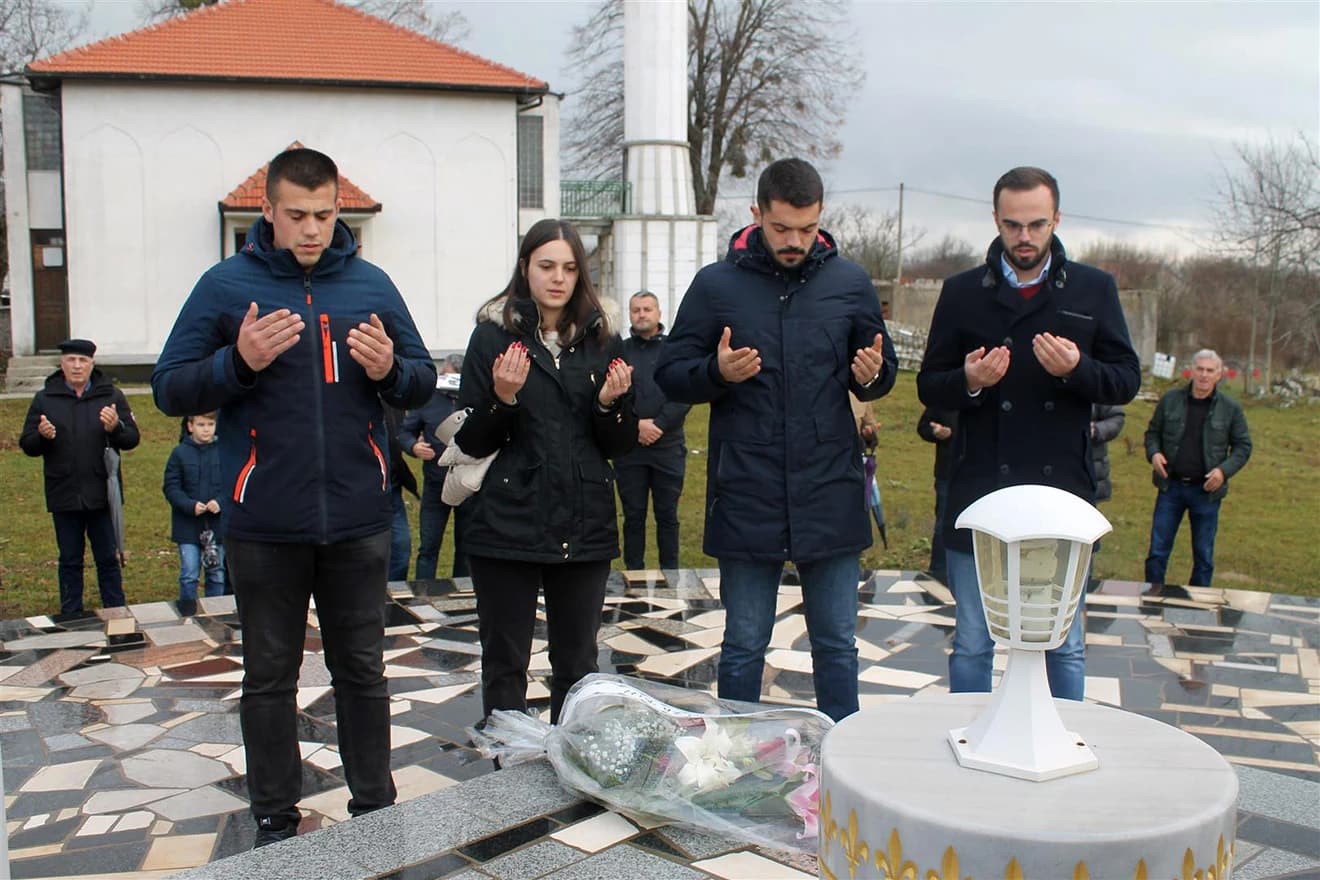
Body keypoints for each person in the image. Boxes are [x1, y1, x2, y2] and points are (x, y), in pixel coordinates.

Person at [151, 147, 436, 847]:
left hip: (359, 517)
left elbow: (423, 379)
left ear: (339, 210)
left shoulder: (370, 284)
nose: (312, 229)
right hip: (265, 522)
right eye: (298, 215)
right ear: (268, 212)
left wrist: (392, 370)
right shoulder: (225, 287)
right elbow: (169, 387)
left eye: (325, 214)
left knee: (363, 672)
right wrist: (236, 362)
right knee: (268, 677)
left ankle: (375, 806)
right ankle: (275, 818)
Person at [655, 158, 896, 722]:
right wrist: (717, 373)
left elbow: (882, 369)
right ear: (756, 213)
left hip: (829, 491)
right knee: (743, 645)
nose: (794, 241)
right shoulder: (717, 285)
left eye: (807, 229)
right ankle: (735, 763)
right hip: (748, 491)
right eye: (782, 228)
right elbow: (670, 373)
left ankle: (844, 757)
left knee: (837, 645)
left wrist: (871, 377)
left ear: (821, 218)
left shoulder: (851, 283)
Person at [917, 166, 1141, 702]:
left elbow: (1126, 379)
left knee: (1062, 642)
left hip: (1059, 491)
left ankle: (1068, 736)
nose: (1024, 237)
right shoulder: (963, 291)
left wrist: (1077, 370)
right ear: (995, 220)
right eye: (1013, 224)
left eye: (1037, 224)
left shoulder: (1093, 288)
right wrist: (969, 382)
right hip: (978, 488)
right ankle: (968, 737)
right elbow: (930, 383)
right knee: (972, 641)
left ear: (1057, 220)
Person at [452, 218, 636, 723]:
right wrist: (502, 399)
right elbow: (468, 441)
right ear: (525, 268)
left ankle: (569, 768)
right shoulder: (491, 338)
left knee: (576, 664)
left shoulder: (603, 340)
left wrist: (609, 405)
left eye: (570, 268)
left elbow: (620, 443)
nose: (558, 278)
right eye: (547, 266)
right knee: (505, 663)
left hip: (583, 523)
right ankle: (505, 776)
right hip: (507, 522)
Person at [20, 338, 140, 616]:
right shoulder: (45, 398)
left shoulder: (111, 395)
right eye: (71, 360)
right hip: (64, 492)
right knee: (70, 559)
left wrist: (116, 427)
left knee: (108, 558)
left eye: (82, 361)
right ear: (62, 364)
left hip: (102, 493)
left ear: (92, 364)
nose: (77, 366)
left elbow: (132, 438)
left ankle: (115, 611)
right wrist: (42, 436)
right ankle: (71, 615)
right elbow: (27, 444)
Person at [1143, 349, 1251, 586]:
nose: (1203, 375)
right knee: (1157, 552)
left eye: (1210, 371)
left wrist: (1223, 471)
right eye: (1200, 369)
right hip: (1170, 487)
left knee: (1203, 556)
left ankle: (1198, 609)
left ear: (1219, 375)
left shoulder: (1230, 409)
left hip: (1206, 492)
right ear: (1191, 371)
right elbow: (1152, 433)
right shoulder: (1170, 400)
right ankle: (1152, 599)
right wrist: (1154, 454)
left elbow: (1243, 446)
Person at [615, 291, 691, 570]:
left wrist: (659, 424)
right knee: (633, 515)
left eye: (647, 309)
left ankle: (670, 576)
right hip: (630, 449)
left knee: (667, 515)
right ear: (630, 314)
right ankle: (633, 574)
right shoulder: (619, 351)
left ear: (659, 313)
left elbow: (685, 392)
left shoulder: (675, 349)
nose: (641, 314)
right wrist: (636, 425)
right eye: (636, 310)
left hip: (668, 446)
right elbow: (613, 394)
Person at [399, 354, 468, 579]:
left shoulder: (473, 399)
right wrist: (413, 447)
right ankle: (423, 595)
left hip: (467, 485)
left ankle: (464, 594)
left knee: (466, 547)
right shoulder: (428, 400)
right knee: (428, 545)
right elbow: (404, 432)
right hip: (435, 484)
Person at [162, 412, 227, 614]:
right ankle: (188, 613)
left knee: (216, 573)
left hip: (216, 526)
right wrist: (189, 506)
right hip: (187, 526)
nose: (206, 429)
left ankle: (216, 613)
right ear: (190, 426)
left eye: (210, 424)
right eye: (201, 424)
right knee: (189, 573)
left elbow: (233, 483)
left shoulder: (224, 452)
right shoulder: (179, 453)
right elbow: (171, 487)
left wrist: (220, 501)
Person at [915, 406, 958, 583]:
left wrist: (952, 433)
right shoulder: (945, 397)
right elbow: (923, 427)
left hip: (980, 474)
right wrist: (936, 432)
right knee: (943, 523)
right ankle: (938, 572)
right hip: (947, 472)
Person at [384, 404, 419, 581]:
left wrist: (412, 445)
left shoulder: (391, 397)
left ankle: (393, 597)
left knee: (400, 549)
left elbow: (399, 435)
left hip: (392, 486)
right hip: (361, 489)